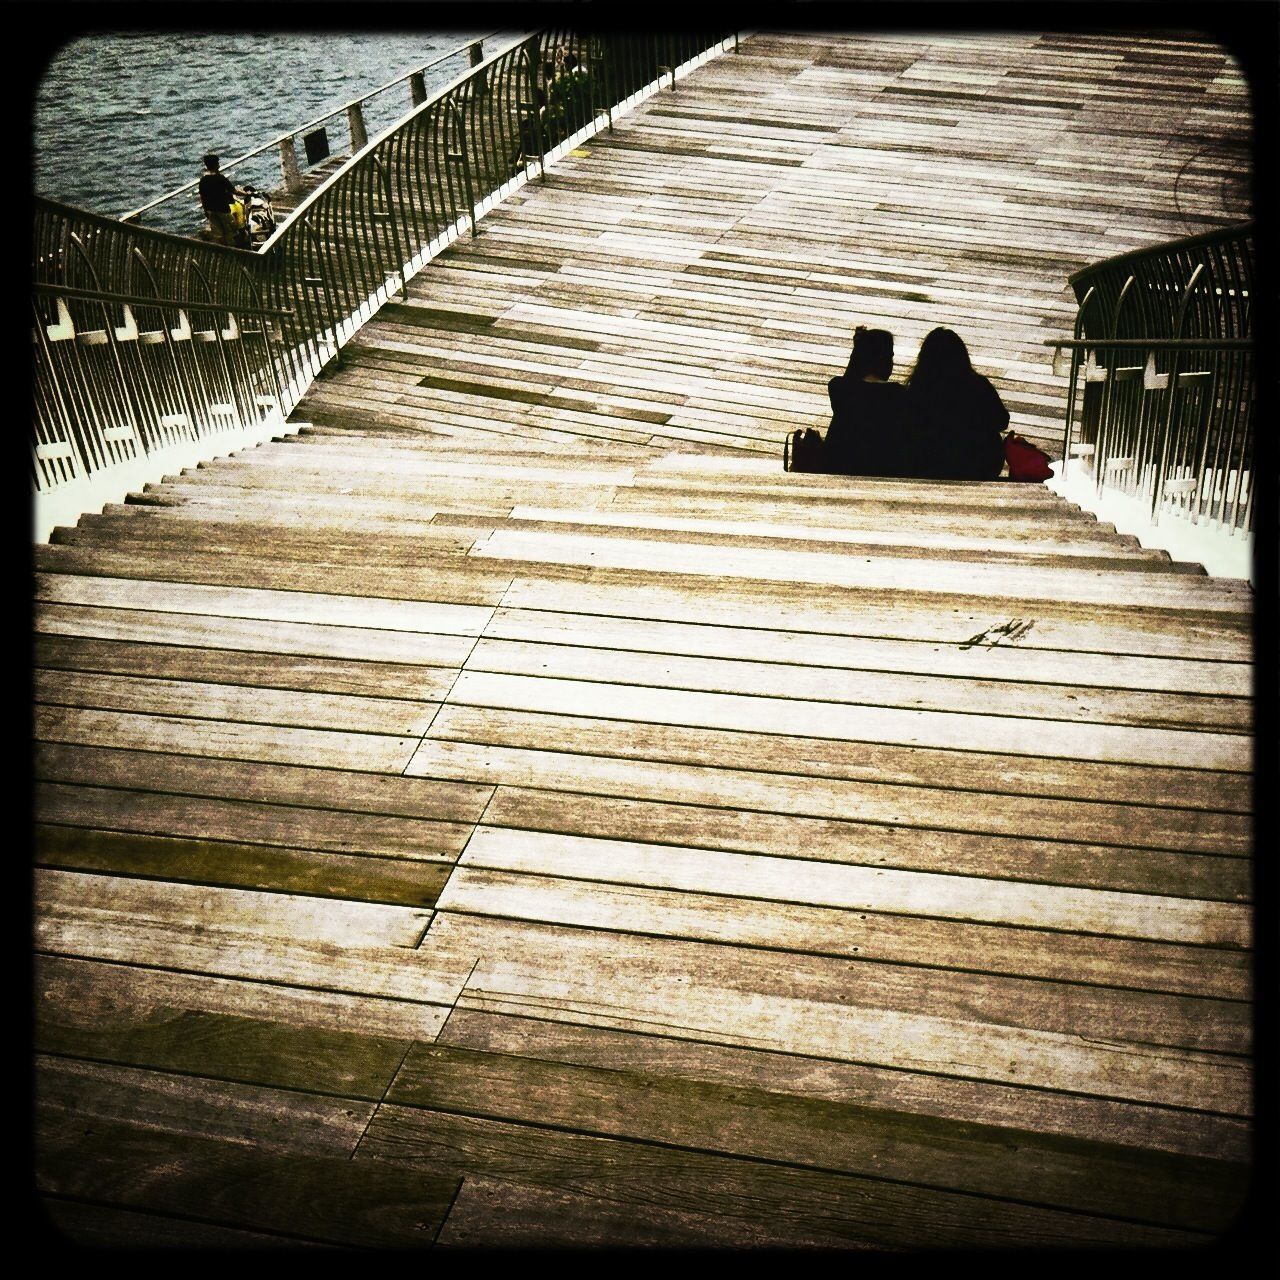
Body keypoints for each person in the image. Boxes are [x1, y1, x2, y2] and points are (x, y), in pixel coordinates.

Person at [904, 327, 1008, 480]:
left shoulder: (918, 388)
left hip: (931, 464)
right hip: (979, 464)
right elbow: (1002, 421)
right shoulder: (977, 384)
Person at [824, 326, 912, 475]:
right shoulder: (898, 395)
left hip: (840, 466)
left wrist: (857, 352)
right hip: (883, 469)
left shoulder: (839, 388)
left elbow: (849, 380)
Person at [198, 154, 245, 247]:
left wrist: (205, 211)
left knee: (218, 234)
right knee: (231, 231)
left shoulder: (203, 180)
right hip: (223, 210)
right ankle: (235, 249)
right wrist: (246, 194)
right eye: (218, 163)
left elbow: (202, 197)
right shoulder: (221, 179)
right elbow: (234, 191)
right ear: (216, 165)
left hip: (210, 210)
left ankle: (224, 250)